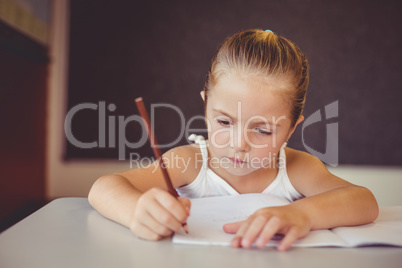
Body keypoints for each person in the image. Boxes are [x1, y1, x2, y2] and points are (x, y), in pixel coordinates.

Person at [88, 29, 379, 251]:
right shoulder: (190, 162)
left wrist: (302, 214)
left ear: (291, 129)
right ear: (205, 106)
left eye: (263, 130)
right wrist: (136, 212)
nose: (239, 143)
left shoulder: (295, 167)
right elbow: (103, 188)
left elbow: (364, 202)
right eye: (225, 122)